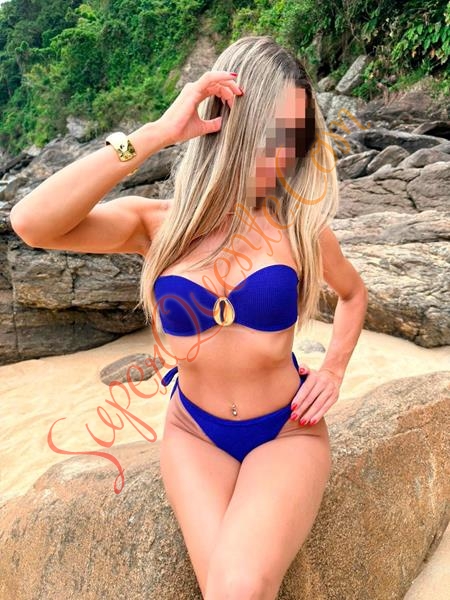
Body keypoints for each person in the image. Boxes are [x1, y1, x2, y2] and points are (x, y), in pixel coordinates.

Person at [10, 34, 368, 600]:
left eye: (296, 137)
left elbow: (353, 294)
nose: (285, 154)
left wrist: (334, 370)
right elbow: (32, 222)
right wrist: (156, 133)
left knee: (237, 586)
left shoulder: (300, 227)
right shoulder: (158, 225)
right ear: (230, 122)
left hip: (285, 432)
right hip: (194, 433)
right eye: (272, 132)